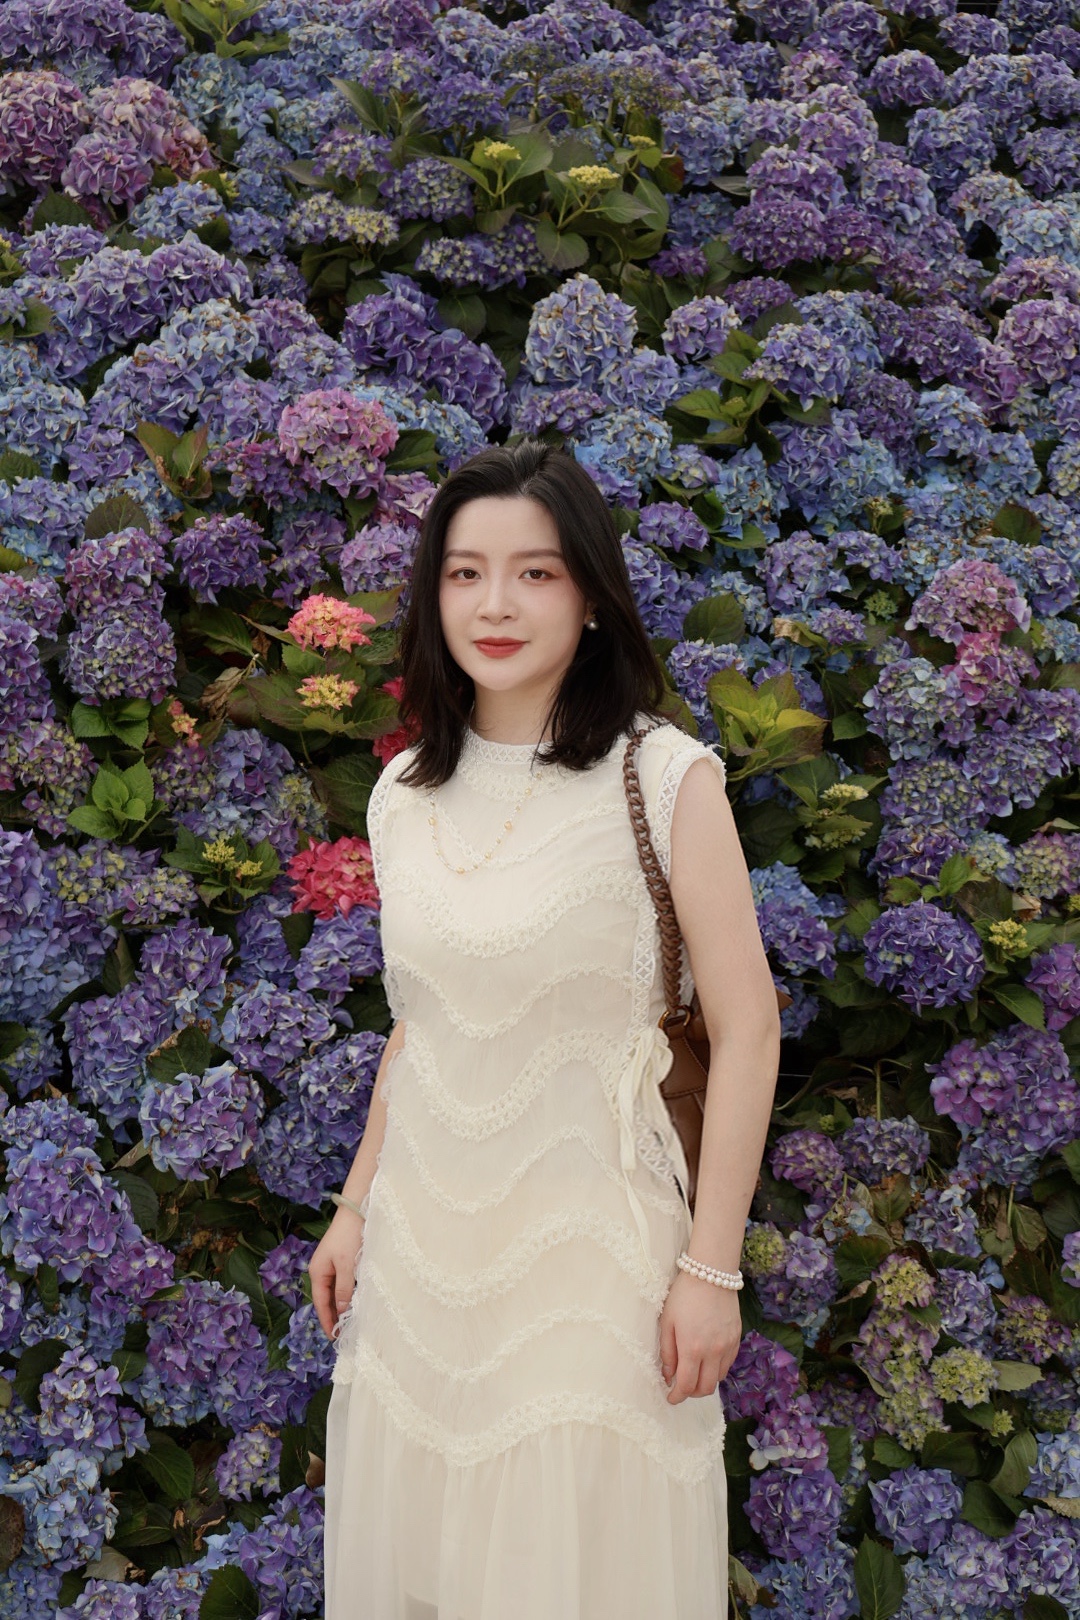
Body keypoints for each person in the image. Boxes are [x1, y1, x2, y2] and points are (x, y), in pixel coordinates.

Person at [311, 438, 781, 1619]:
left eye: (535, 573)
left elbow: (750, 1029)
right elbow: (421, 1024)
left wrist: (710, 1269)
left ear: (592, 596)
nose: (496, 605)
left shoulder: (665, 776)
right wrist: (356, 1207)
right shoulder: (402, 793)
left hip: (594, 1275)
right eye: (465, 573)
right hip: (421, 1269)